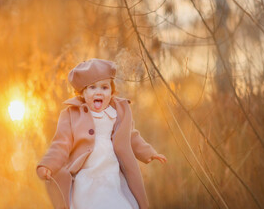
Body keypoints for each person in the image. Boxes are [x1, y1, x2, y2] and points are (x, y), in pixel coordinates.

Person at [36, 58, 167, 209]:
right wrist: (48, 164)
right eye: (92, 87)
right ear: (82, 93)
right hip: (86, 179)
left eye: (104, 88)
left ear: (111, 91)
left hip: (112, 177)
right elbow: (60, 144)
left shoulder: (117, 112)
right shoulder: (72, 114)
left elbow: (131, 136)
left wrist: (148, 152)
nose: (99, 92)